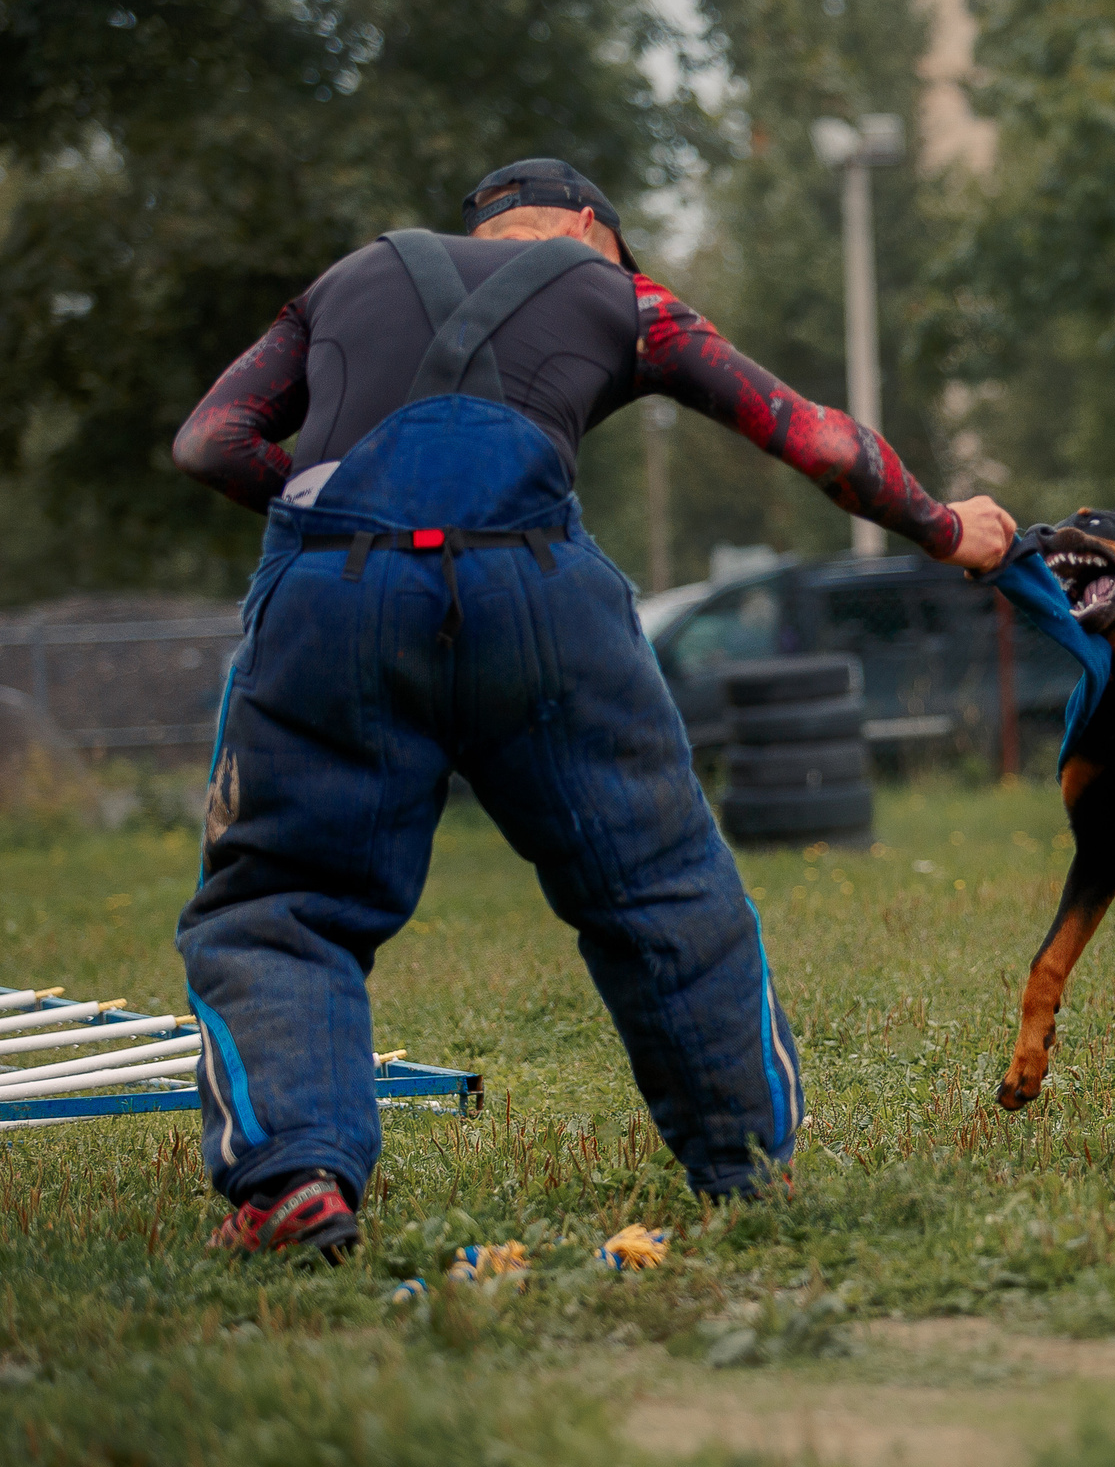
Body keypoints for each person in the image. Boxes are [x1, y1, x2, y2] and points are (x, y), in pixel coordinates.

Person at [171, 159, 1015, 1256]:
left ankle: (295, 1178)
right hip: (538, 598)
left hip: (334, 600)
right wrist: (951, 528)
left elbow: (212, 441)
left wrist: (347, 523)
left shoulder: (353, 277)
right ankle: (745, 1165)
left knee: (282, 900)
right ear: (587, 228)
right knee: (659, 886)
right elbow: (814, 439)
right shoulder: (621, 295)